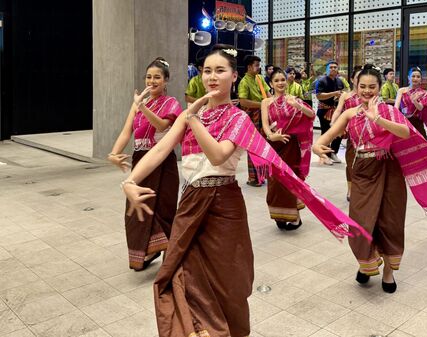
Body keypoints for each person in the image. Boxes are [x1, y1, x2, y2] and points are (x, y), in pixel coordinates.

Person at [121, 45, 367, 337]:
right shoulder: (192, 114)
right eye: (207, 71)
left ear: (233, 77)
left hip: (223, 204)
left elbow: (217, 156)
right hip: (189, 203)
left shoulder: (236, 118)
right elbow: (161, 148)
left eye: (220, 70)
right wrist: (130, 181)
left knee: (228, 280)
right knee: (178, 275)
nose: (212, 77)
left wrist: (193, 119)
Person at [313, 66, 427, 293]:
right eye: (362, 87)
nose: (367, 91)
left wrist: (378, 118)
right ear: (356, 88)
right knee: (360, 224)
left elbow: (405, 133)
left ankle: (388, 270)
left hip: (389, 170)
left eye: (372, 87)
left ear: (379, 88)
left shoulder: (389, 111)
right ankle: (367, 261)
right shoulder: (350, 113)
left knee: (389, 222)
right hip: (363, 173)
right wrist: (318, 148)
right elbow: (325, 137)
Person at [107, 57, 182, 271]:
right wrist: (114, 152)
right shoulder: (138, 103)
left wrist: (143, 107)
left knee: (163, 209)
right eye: (148, 77)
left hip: (163, 162)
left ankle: (169, 252)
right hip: (141, 161)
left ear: (166, 80)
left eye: (157, 77)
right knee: (135, 210)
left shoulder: (172, 103)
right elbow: (126, 131)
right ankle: (148, 250)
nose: (152, 81)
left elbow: (161, 126)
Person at [261, 67, 315, 230]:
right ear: (271, 83)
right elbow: (264, 124)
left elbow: (311, 115)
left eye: (282, 80)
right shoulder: (266, 102)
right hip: (274, 145)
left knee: (290, 180)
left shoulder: (294, 99)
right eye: (276, 80)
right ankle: (280, 213)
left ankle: (295, 217)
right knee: (275, 182)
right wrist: (271, 136)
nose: (280, 83)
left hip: (291, 146)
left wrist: (297, 106)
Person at [238, 55, 271, 186]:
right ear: (249, 67)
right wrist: (263, 104)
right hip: (253, 118)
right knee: (254, 146)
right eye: (256, 65)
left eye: (258, 65)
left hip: (264, 115)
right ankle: (254, 178)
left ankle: (264, 174)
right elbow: (243, 101)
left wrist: (271, 102)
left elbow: (268, 95)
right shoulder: (244, 82)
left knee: (265, 146)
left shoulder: (259, 78)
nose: (259, 67)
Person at [331, 65, 363, 200]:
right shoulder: (346, 95)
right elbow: (338, 110)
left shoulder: (369, 95)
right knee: (350, 163)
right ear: (352, 80)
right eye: (358, 78)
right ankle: (350, 190)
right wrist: (333, 123)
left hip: (367, 134)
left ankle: (362, 189)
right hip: (352, 134)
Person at [316, 61, 346, 164]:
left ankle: (334, 153)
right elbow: (319, 95)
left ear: (338, 69)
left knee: (339, 132)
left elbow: (342, 94)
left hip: (336, 110)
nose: (333, 69)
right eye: (331, 67)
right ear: (327, 69)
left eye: (335, 67)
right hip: (324, 110)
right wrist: (334, 93)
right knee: (326, 133)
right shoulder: (321, 81)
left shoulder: (340, 81)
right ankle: (325, 156)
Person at [394, 67, 427, 139]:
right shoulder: (401, 91)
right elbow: (396, 108)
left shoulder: (424, 93)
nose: (415, 79)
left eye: (418, 77)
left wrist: (415, 101)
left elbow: (421, 108)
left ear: (421, 79)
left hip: (418, 124)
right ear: (408, 77)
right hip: (404, 123)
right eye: (413, 76)